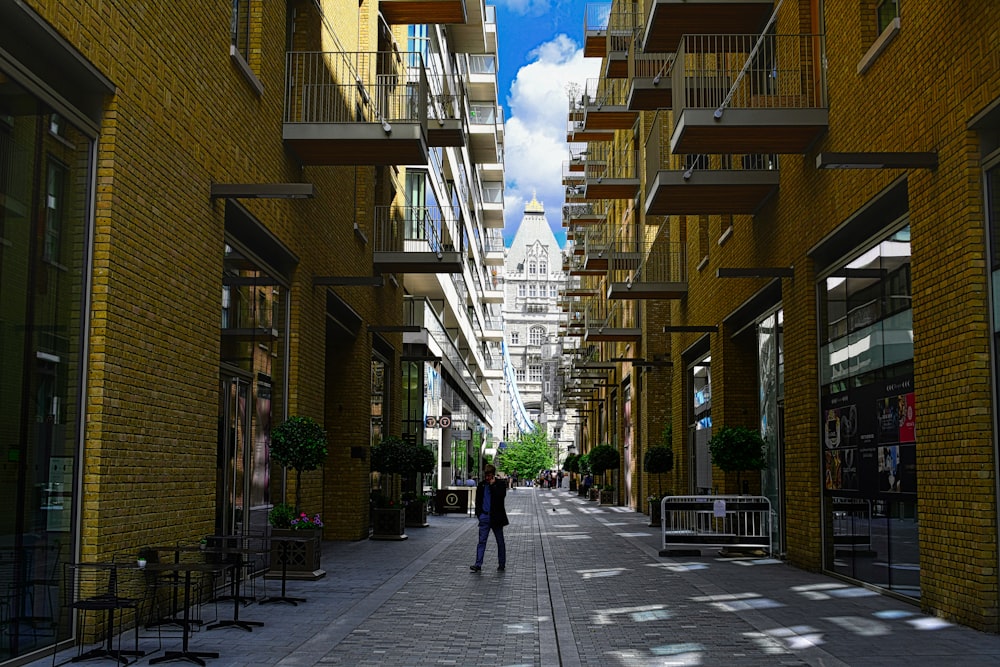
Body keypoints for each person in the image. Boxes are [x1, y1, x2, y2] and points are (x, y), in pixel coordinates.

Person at [470, 463, 508, 572]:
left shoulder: (500, 484)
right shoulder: (481, 486)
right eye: (486, 476)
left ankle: (501, 564)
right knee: (481, 541)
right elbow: (478, 501)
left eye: (489, 476)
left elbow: (501, 497)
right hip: (485, 517)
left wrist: (492, 486)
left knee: (500, 541)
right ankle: (478, 564)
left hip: (496, 518)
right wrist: (479, 514)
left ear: (493, 475)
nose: (487, 478)